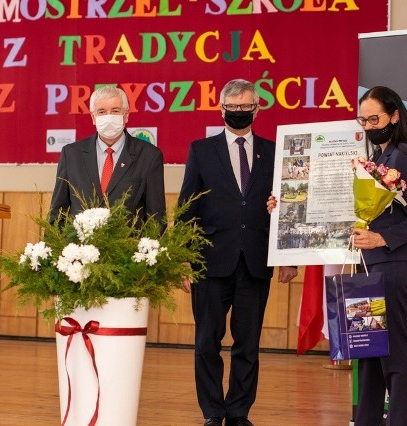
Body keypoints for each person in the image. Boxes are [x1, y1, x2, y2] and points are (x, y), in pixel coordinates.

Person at [178, 79, 298, 426]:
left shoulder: (275, 152)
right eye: (233, 107)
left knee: (247, 344)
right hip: (210, 261)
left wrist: (288, 257)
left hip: (256, 261)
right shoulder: (201, 150)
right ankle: (213, 412)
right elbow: (187, 207)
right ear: (221, 108)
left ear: (257, 109)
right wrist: (183, 259)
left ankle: (239, 411)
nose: (240, 113)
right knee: (206, 344)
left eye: (247, 107)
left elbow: (290, 207)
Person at [351, 86, 407, 426]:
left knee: (395, 356)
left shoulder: (405, 155)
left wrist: (381, 237)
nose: (369, 126)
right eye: (363, 119)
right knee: (368, 355)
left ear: (395, 115)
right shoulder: (381, 156)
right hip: (372, 265)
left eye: (375, 118)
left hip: (396, 266)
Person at [49, 86, 165, 223]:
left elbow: (156, 217)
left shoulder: (149, 156)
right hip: (80, 243)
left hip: (128, 243)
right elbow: (58, 212)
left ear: (126, 115)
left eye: (115, 111)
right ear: (93, 117)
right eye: (102, 112)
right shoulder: (71, 154)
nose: (108, 117)